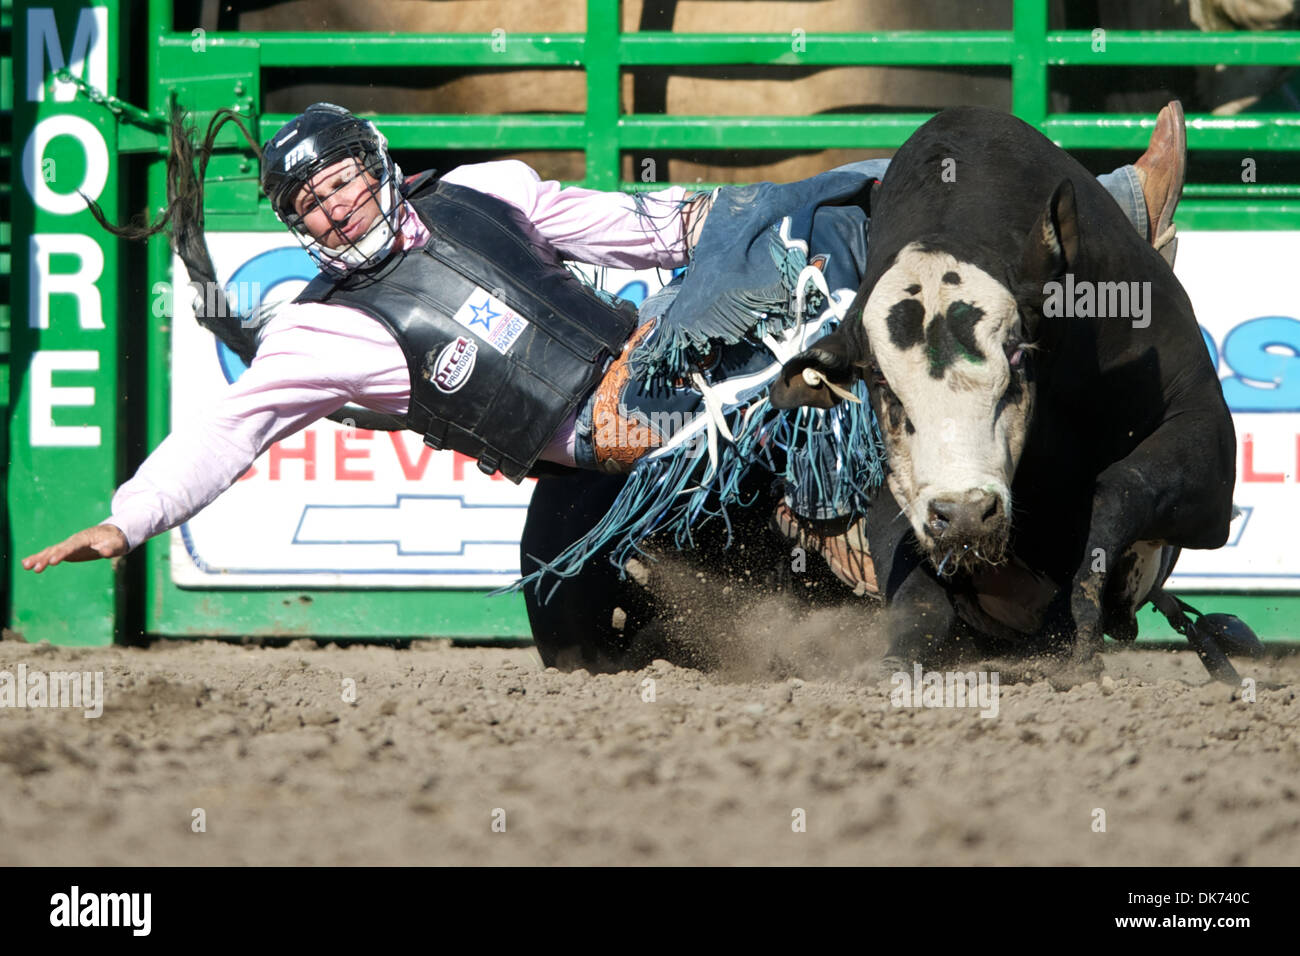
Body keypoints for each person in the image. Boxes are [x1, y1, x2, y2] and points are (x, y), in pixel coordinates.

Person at [22, 101, 1188, 598]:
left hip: (668, 355)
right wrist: (130, 516)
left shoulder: (486, 189)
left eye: (337, 183)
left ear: (372, 164)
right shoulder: (325, 330)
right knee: (819, 353)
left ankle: (1113, 216)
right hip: (607, 434)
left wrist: (728, 224)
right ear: (297, 229)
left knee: (837, 201)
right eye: (309, 206)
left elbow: (625, 226)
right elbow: (226, 428)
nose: (331, 211)